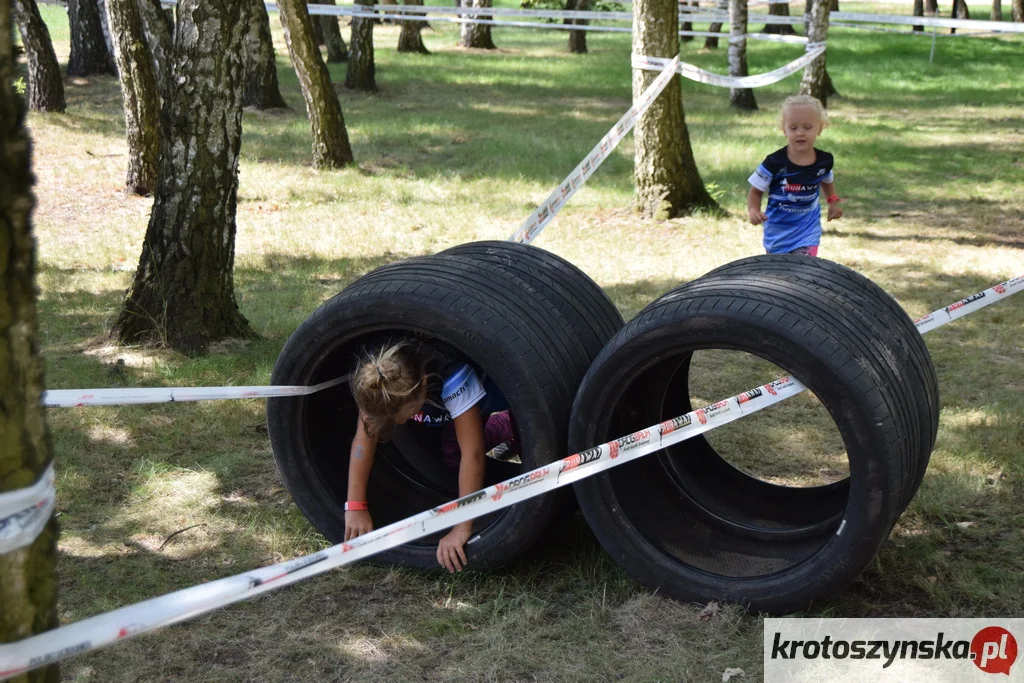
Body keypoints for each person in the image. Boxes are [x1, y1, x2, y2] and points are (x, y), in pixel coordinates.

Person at [343, 338, 518, 573]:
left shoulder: (452, 375)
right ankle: (503, 427)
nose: (399, 424)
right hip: (442, 412)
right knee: (451, 457)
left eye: (400, 418)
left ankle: (510, 423)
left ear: (422, 387)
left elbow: (473, 453)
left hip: (494, 393)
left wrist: (462, 527)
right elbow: (364, 439)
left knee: (471, 447)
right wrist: (355, 506)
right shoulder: (377, 383)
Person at [747, 94, 844, 256]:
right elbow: (755, 191)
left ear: (819, 128)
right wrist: (753, 211)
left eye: (807, 127)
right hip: (778, 232)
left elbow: (826, 179)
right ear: (784, 129)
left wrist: (833, 202)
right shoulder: (774, 163)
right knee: (781, 277)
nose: (800, 133)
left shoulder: (824, 161)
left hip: (808, 231)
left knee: (802, 269)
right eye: (793, 128)